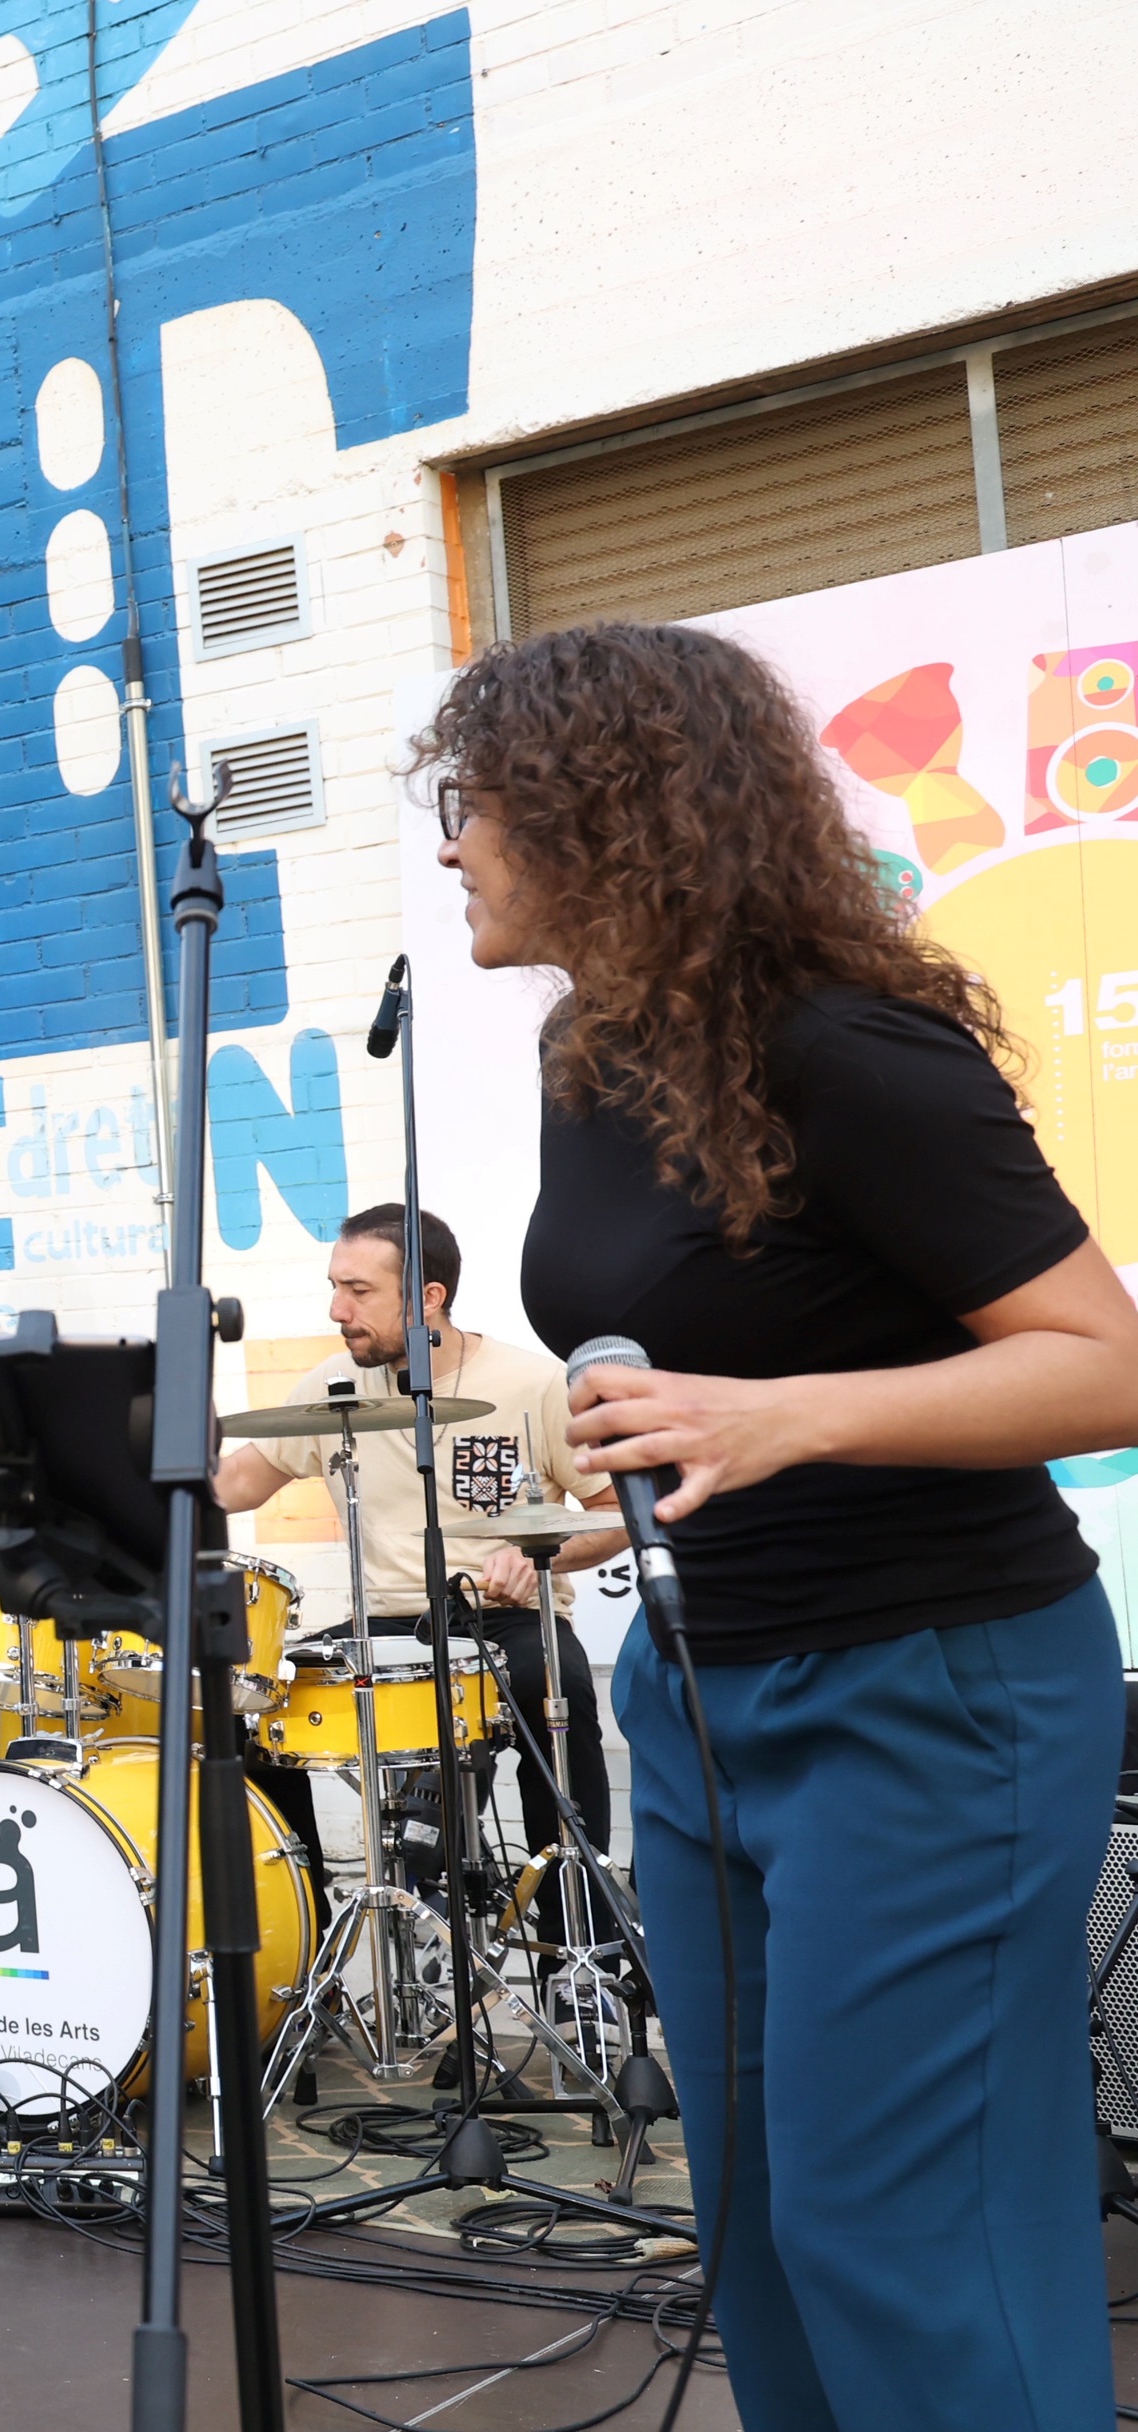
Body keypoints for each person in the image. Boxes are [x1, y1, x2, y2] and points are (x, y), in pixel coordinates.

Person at [431, 621, 1138, 2432]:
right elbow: (720, 1332)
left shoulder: (845, 1049)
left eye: (475, 804)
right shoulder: (590, 1050)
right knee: (756, 2226)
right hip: (697, 1694)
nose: (451, 846)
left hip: (931, 1692)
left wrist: (783, 1416)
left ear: (596, 812)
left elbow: (1104, 1364)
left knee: (895, 2229)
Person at [211, 1202, 622, 1935]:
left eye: (359, 1291)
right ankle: (301, 1930)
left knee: (557, 1690)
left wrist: (538, 1555)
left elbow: (614, 1510)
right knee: (256, 1702)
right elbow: (238, 1479)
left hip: (505, 1617)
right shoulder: (335, 1385)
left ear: (430, 1296)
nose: (338, 1310)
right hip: (388, 1621)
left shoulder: (532, 1384)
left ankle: (578, 1938)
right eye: (335, 1287)